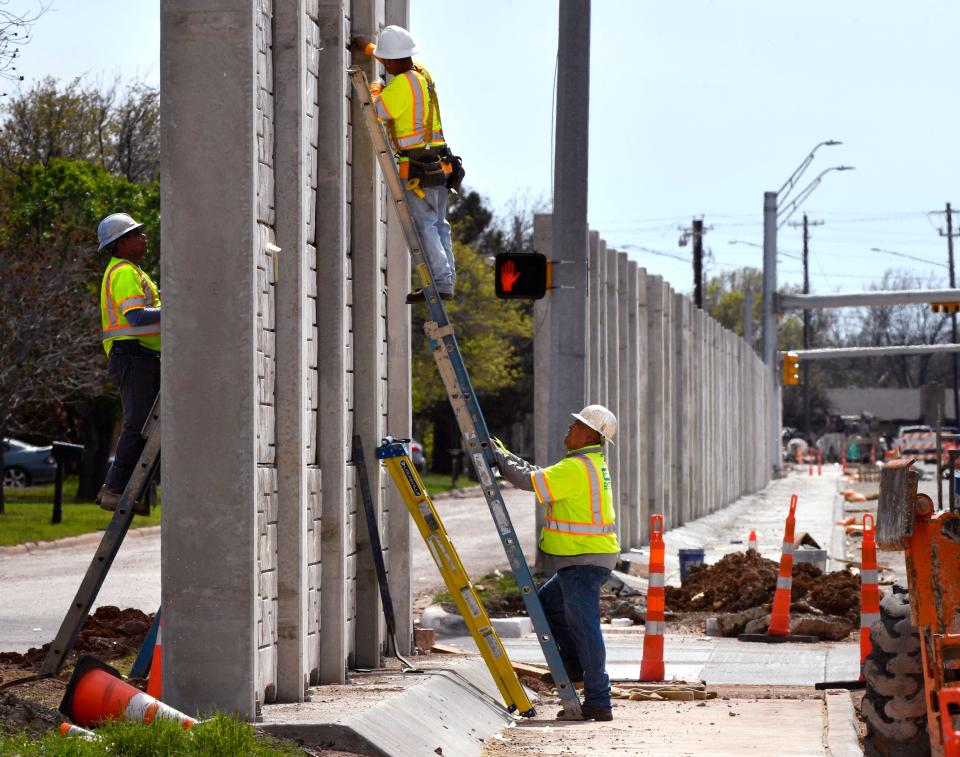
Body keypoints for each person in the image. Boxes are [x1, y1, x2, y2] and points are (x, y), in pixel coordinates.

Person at [493, 405, 620, 722]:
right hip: (584, 559)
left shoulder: (577, 468)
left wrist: (497, 456)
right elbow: (537, 475)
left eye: (575, 426)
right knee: (547, 603)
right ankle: (576, 666)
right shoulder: (584, 464)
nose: (569, 430)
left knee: (586, 628)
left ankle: (599, 700)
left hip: (584, 560)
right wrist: (507, 454)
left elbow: (527, 480)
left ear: (590, 435)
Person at [352, 25, 459, 304]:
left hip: (417, 164)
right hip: (438, 160)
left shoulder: (400, 84)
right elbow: (392, 57)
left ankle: (439, 283)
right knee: (439, 223)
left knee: (425, 225)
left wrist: (376, 90)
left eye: (386, 61)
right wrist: (368, 48)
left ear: (395, 60)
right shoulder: (420, 72)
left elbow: (381, 112)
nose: (384, 64)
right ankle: (446, 280)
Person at [96, 213, 160, 515]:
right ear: (122, 243)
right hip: (131, 356)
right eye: (137, 233)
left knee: (149, 425)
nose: (144, 237)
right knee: (137, 424)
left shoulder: (132, 270)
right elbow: (135, 316)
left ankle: (131, 488)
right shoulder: (122, 271)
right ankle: (115, 489)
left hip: (140, 356)